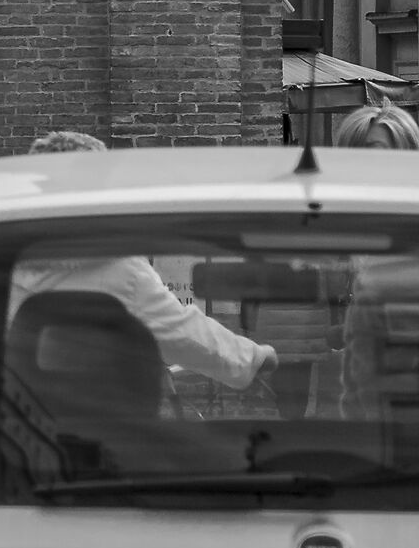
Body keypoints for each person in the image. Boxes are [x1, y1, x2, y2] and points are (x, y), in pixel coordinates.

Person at [19, 131, 273, 391]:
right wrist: (252, 359)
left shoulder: (0, 251)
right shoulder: (115, 267)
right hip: (90, 409)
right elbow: (182, 334)